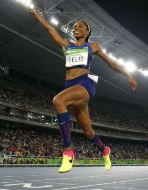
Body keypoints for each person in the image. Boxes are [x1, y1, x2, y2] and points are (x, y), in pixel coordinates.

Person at [31, 9, 138, 172]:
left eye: (80, 26)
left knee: (58, 101)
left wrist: (128, 75)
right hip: (70, 86)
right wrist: (36, 14)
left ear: (87, 32)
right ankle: (105, 150)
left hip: (85, 84)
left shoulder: (93, 46)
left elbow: (112, 63)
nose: (76, 28)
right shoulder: (66, 44)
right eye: (74, 26)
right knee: (88, 132)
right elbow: (49, 28)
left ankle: (68, 151)